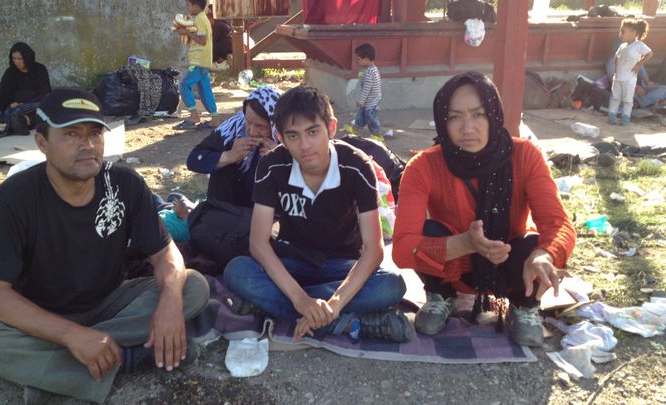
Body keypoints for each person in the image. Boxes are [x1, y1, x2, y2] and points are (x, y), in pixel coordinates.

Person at [0, 88, 210, 403]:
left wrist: (171, 304)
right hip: (44, 317)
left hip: (110, 303)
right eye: (71, 134)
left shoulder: (124, 184)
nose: (87, 145)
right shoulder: (15, 198)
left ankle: (63, 372)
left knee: (193, 286)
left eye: (95, 133)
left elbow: (166, 254)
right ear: (42, 142)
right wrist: (71, 335)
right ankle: (130, 358)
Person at [392, 72, 576, 347]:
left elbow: (559, 224)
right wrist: (465, 244)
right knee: (429, 232)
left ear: (494, 114)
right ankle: (440, 295)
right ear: (443, 121)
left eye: (478, 114)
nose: (467, 128)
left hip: (513, 265)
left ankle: (523, 305)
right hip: (453, 269)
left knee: (534, 244)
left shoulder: (525, 156)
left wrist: (544, 255)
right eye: (455, 117)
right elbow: (402, 248)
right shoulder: (423, 167)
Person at [223, 86, 410, 343]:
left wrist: (332, 304)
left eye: (312, 132)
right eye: (293, 136)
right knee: (237, 271)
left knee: (392, 284)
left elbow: (374, 250)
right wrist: (300, 299)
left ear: (331, 128)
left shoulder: (357, 165)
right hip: (293, 263)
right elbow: (258, 243)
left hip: (341, 268)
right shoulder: (272, 165)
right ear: (281, 138)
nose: (305, 145)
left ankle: (288, 309)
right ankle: (348, 321)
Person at [187, 85, 281, 207]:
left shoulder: (288, 138)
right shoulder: (232, 129)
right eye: (248, 121)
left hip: (268, 216)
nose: (251, 131)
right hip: (226, 212)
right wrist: (229, 156)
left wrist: (279, 159)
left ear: (275, 124)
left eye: (260, 126)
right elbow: (194, 160)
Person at [0, 42, 51, 132]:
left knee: (48, 106)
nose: (16, 62)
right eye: (14, 58)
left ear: (27, 58)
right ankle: (23, 120)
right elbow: (2, 93)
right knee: (3, 112)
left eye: (20, 59)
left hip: (35, 103)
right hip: (14, 106)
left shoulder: (39, 69)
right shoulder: (10, 72)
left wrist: (23, 103)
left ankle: (25, 120)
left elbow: (45, 93)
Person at [174, 0, 219, 130]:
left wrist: (187, 33)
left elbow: (202, 41)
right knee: (205, 89)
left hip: (198, 62)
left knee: (183, 84)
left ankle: (194, 115)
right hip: (203, 61)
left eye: (188, 5)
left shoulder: (199, 19)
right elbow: (201, 39)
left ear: (196, 6)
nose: (187, 7)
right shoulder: (202, 18)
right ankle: (215, 119)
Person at [608, 18, 652, 126]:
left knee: (627, 99)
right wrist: (616, 71)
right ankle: (612, 115)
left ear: (634, 33)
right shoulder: (622, 46)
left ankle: (625, 116)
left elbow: (649, 54)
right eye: (620, 31)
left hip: (630, 78)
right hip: (618, 77)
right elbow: (616, 57)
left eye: (623, 31)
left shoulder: (639, 45)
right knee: (615, 97)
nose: (620, 34)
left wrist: (638, 64)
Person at [353, 43, 382, 136]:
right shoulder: (372, 69)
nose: (356, 61)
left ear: (366, 59)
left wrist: (361, 101)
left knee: (370, 117)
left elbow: (367, 88)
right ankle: (357, 126)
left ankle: (376, 131)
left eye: (358, 59)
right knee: (361, 114)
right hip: (370, 99)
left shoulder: (369, 72)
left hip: (371, 101)